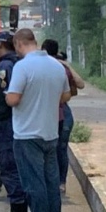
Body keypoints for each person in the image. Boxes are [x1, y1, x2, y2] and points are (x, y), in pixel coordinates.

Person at [5, 29, 71, 212]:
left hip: (27, 133)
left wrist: (8, 93)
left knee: (34, 183)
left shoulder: (22, 66)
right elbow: (65, 96)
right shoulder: (56, 66)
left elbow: (13, 99)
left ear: (18, 43)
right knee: (51, 183)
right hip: (50, 132)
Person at [0, 31, 27, 212]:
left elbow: (7, 94)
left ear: (1, 44)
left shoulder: (5, 66)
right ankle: (20, 211)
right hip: (13, 122)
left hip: (6, 124)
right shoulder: (16, 63)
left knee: (8, 166)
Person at [41, 40, 84, 192]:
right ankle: (60, 182)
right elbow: (80, 84)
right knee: (59, 148)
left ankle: (56, 182)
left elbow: (80, 84)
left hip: (56, 112)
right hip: (62, 112)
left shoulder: (48, 67)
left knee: (54, 148)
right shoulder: (61, 67)